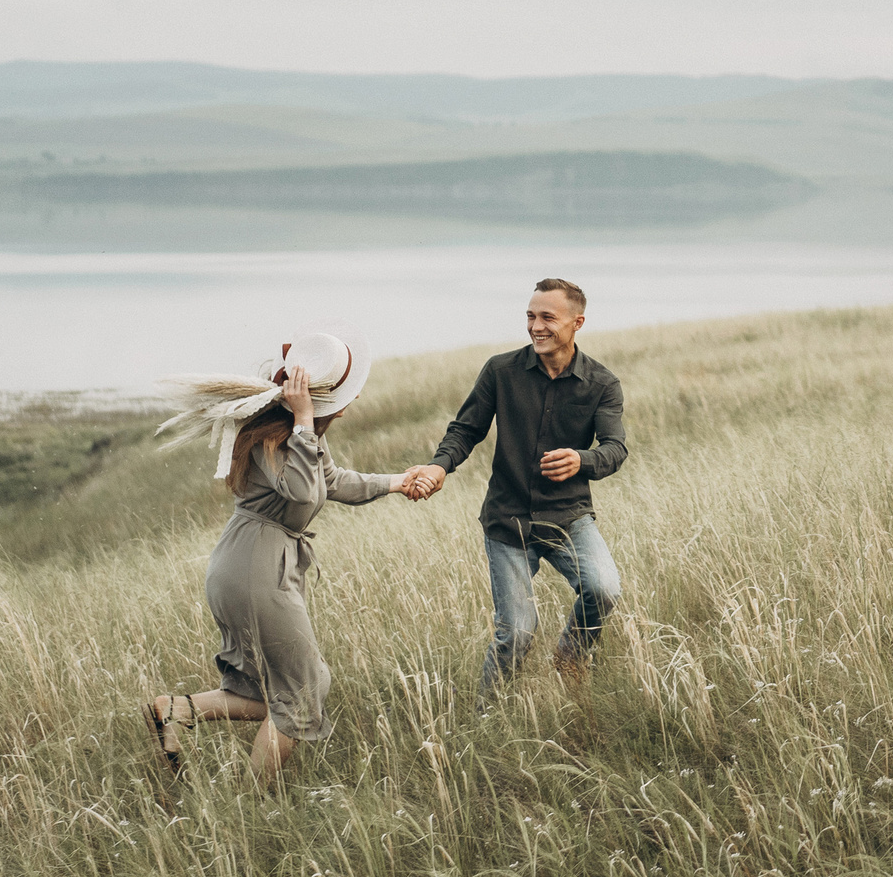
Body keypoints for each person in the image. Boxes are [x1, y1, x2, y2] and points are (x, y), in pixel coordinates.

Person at [142, 326, 415, 781]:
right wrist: (305, 420)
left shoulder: (294, 434)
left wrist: (398, 481)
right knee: (305, 692)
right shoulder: (279, 437)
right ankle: (252, 806)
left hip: (251, 565)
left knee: (270, 691)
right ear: (334, 400)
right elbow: (304, 491)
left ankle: (177, 711)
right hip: (255, 570)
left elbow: (331, 481)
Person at [399, 278, 625, 695]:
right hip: (509, 522)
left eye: (547, 318)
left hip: (568, 518)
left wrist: (582, 460)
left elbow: (615, 449)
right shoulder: (501, 371)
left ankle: (571, 656)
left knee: (604, 589)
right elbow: (465, 430)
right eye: (530, 316)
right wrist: (438, 468)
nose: (535, 326)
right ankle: (489, 714)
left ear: (577, 323)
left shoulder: (602, 384)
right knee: (517, 634)